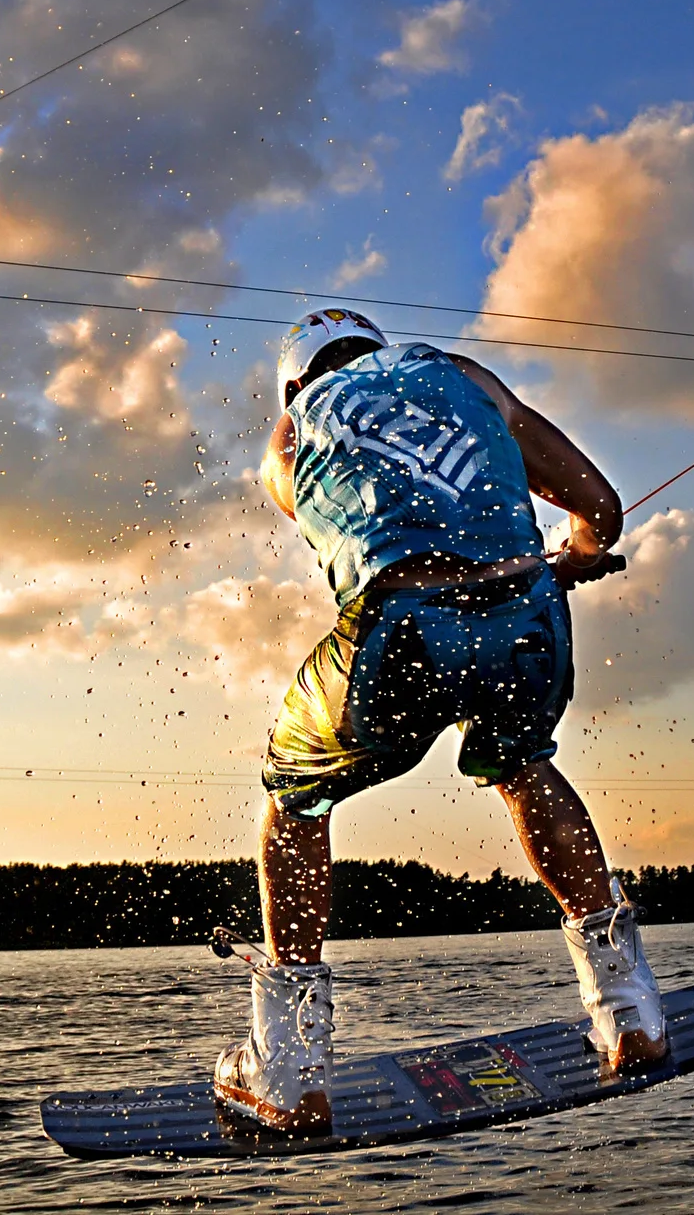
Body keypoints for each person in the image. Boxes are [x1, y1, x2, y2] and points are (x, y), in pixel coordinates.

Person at [212, 307, 664, 1135]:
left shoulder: (287, 435)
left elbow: (354, 527)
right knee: (525, 766)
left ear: (296, 380)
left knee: (295, 800)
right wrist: (579, 556)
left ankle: (289, 1070)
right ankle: (629, 1015)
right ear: (379, 352)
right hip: (526, 617)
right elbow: (600, 506)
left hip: (398, 631)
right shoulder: (466, 377)